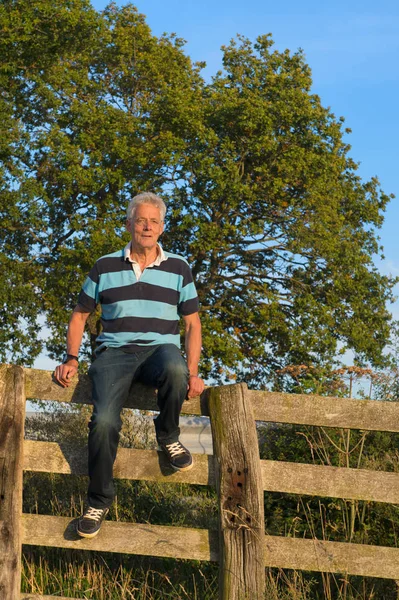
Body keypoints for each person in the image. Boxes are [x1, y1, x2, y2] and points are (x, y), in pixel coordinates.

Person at [54, 192, 205, 538]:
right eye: (141, 220)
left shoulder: (179, 267)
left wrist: (194, 373)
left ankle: (168, 436)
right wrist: (72, 358)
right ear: (129, 224)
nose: (147, 227)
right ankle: (98, 500)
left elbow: (193, 324)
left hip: (159, 351)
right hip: (114, 353)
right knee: (104, 421)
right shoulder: (104, 266)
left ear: (162, 227)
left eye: (154, 221)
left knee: (177, 370)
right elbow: (80, 316)